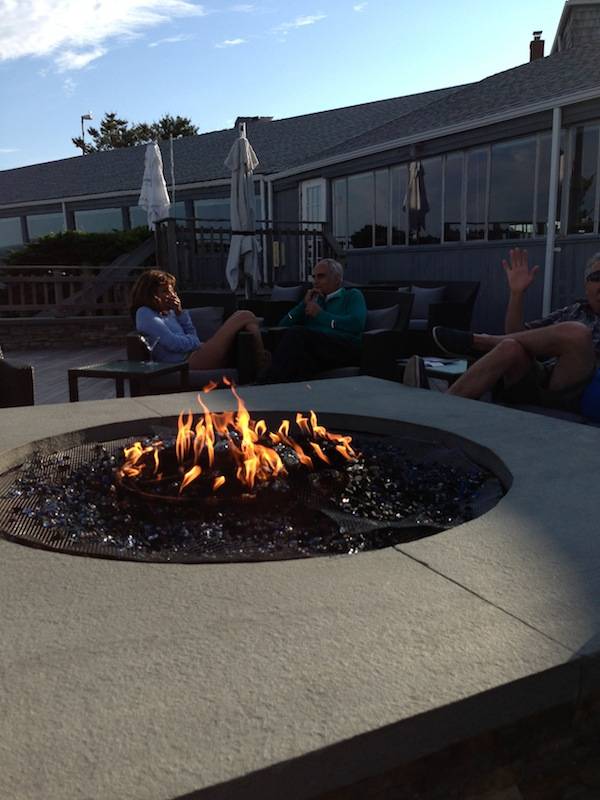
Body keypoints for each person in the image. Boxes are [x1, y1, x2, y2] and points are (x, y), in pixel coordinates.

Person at [403, 249, 600, 415]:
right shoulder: (574, 311)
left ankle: (481, 342)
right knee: (510, 346)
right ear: (586, 286)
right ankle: (440, 408)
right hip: (545, 379)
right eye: (596, 277)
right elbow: (518, 335)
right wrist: (517, 294)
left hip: (582, 389)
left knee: (577, 334)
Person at [129, 269, 268, 373]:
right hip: (186, 362)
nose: (171, 295)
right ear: (151, 294)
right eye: (165, 291)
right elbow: (173, 343)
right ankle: (261, 359)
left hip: (195, 354)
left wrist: (179, 312)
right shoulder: (144, 313)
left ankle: (259, 361)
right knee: (243, 315)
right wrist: (194, 343)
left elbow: (192, 333)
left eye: (172, 291)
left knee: (247, 319)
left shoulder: (169, 312)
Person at [258, 258, 367, 383]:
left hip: (343, 346)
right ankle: (275, 388)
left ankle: (265, 383)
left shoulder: (351, 295)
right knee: (297, 357)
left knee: (297, 334)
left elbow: (356, 324)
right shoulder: (314, 301)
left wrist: (320, 315)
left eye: (321, 276)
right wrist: (303, 305)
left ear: (337, 279)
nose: (315, 282)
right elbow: (284, 323)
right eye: (314, 277)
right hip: (316, 349)